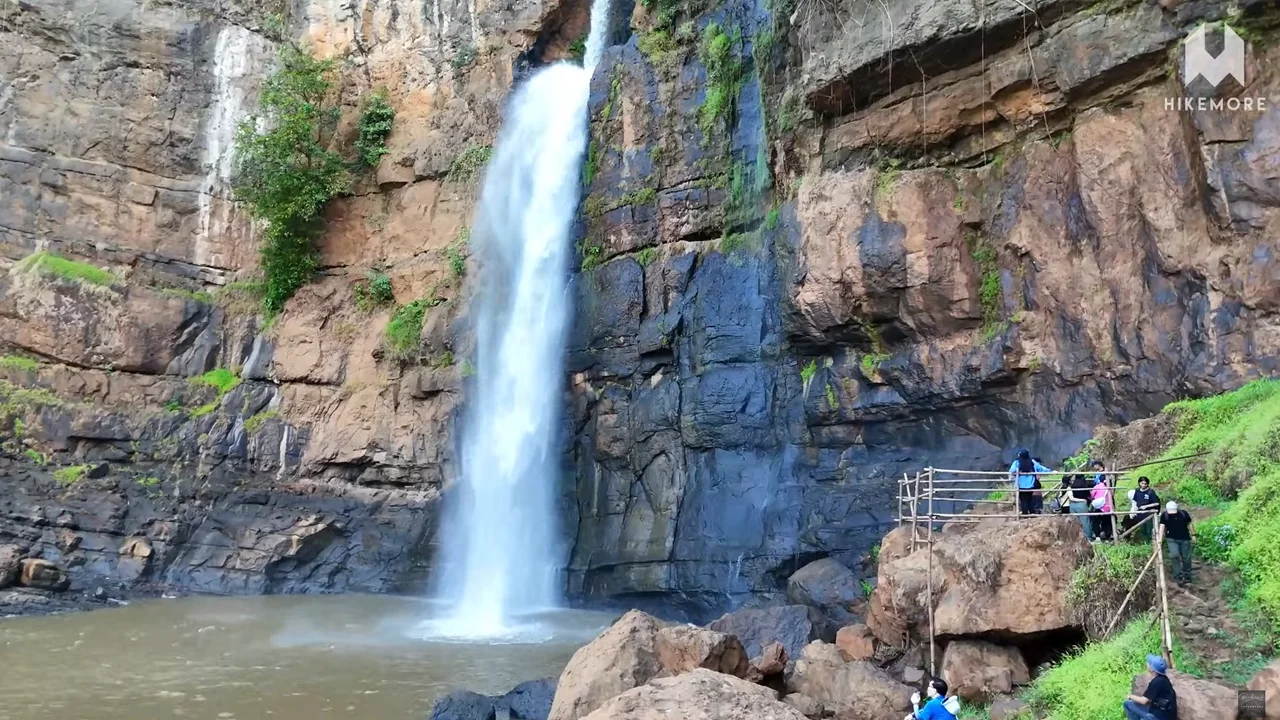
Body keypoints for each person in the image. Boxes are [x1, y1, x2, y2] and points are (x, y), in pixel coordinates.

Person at [1123, 654, 1177, 720]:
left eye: (1149, 663)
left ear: (1152, 669)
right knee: (1128, 704)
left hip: (1159, 717)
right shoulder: (1163, 679)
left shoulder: (1157, 682)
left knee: (1146, 716)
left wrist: (1130, 696)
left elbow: (1143, 701)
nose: (1147, 663)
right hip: (1159, 712)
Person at [1160, 501, 1196, 584]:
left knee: (1186, 558)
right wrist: (1159, 540)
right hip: (1171, 539)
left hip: (1184, 538)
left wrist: (1194, 535)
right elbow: (1162, 527)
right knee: (1174, 555)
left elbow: (1190, 524)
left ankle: (1187, 576)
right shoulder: (1165, 516)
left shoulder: (1184, 514)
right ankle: (1178, 575)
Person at [1009, 449, 1051, 516]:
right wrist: (1050, 471)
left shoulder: (1017, 462)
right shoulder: (1032, 462)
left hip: (1021, 486)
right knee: (1030, 499)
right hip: (1030, 485)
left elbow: (1012, 470)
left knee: (1023, 500)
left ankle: (1025, 514)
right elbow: (1041, 468)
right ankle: (1032, 513)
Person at [1132, 477, 1161, 541]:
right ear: (1139, 483)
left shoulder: (1151, 492)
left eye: (1145, 484)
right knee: (1142, 528)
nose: (1143, 485)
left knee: (1149, 529)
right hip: (1140, 513)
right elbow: (1134, 500)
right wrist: (1134, 508)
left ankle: (1151, 541)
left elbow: (1156, 503)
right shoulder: (1137, 491)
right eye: (1142, 483)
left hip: (1148, 513)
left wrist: (1146, 506)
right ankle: (1144, 541)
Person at [1068, 472, 1094, 539]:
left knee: (1074, 522)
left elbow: (1071, 497)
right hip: (1082, 505)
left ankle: (1075, 537)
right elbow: (1088, 495)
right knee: (1085, 521)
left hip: (1072, 505)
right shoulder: (1084, 485)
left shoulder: (1072, 486)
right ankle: (1088, 537)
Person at [1089, 475, 1114, 541]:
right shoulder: (1110, 488)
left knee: (1095, 522)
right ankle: (1107, 537)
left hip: (1099, 508)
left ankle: (1097, 536)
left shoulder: (1097, 486)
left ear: (1100, 480)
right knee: (1107, 522)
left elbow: (1091, 495)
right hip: (1108, 508)